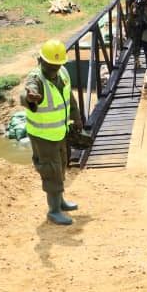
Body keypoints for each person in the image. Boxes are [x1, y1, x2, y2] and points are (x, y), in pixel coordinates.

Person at [22, 39, 83, 226]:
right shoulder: (36, 79)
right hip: (42, 136)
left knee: (61, 164)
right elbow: (27, 94)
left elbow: (69, 98)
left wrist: (77, 118)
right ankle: (54, 210)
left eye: (57, 65)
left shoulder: (63, 73)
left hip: (59, 132)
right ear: (41, 61)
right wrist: (30, 98)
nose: (54, 69)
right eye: (50, 66)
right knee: (51, 170)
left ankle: (60, 201)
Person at [125, 0, 141, 69]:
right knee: (137, 41)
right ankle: (136, 60)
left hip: (129, 20)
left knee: (134, 40)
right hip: (136, 21)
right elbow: (136, 11)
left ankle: (136, 59)